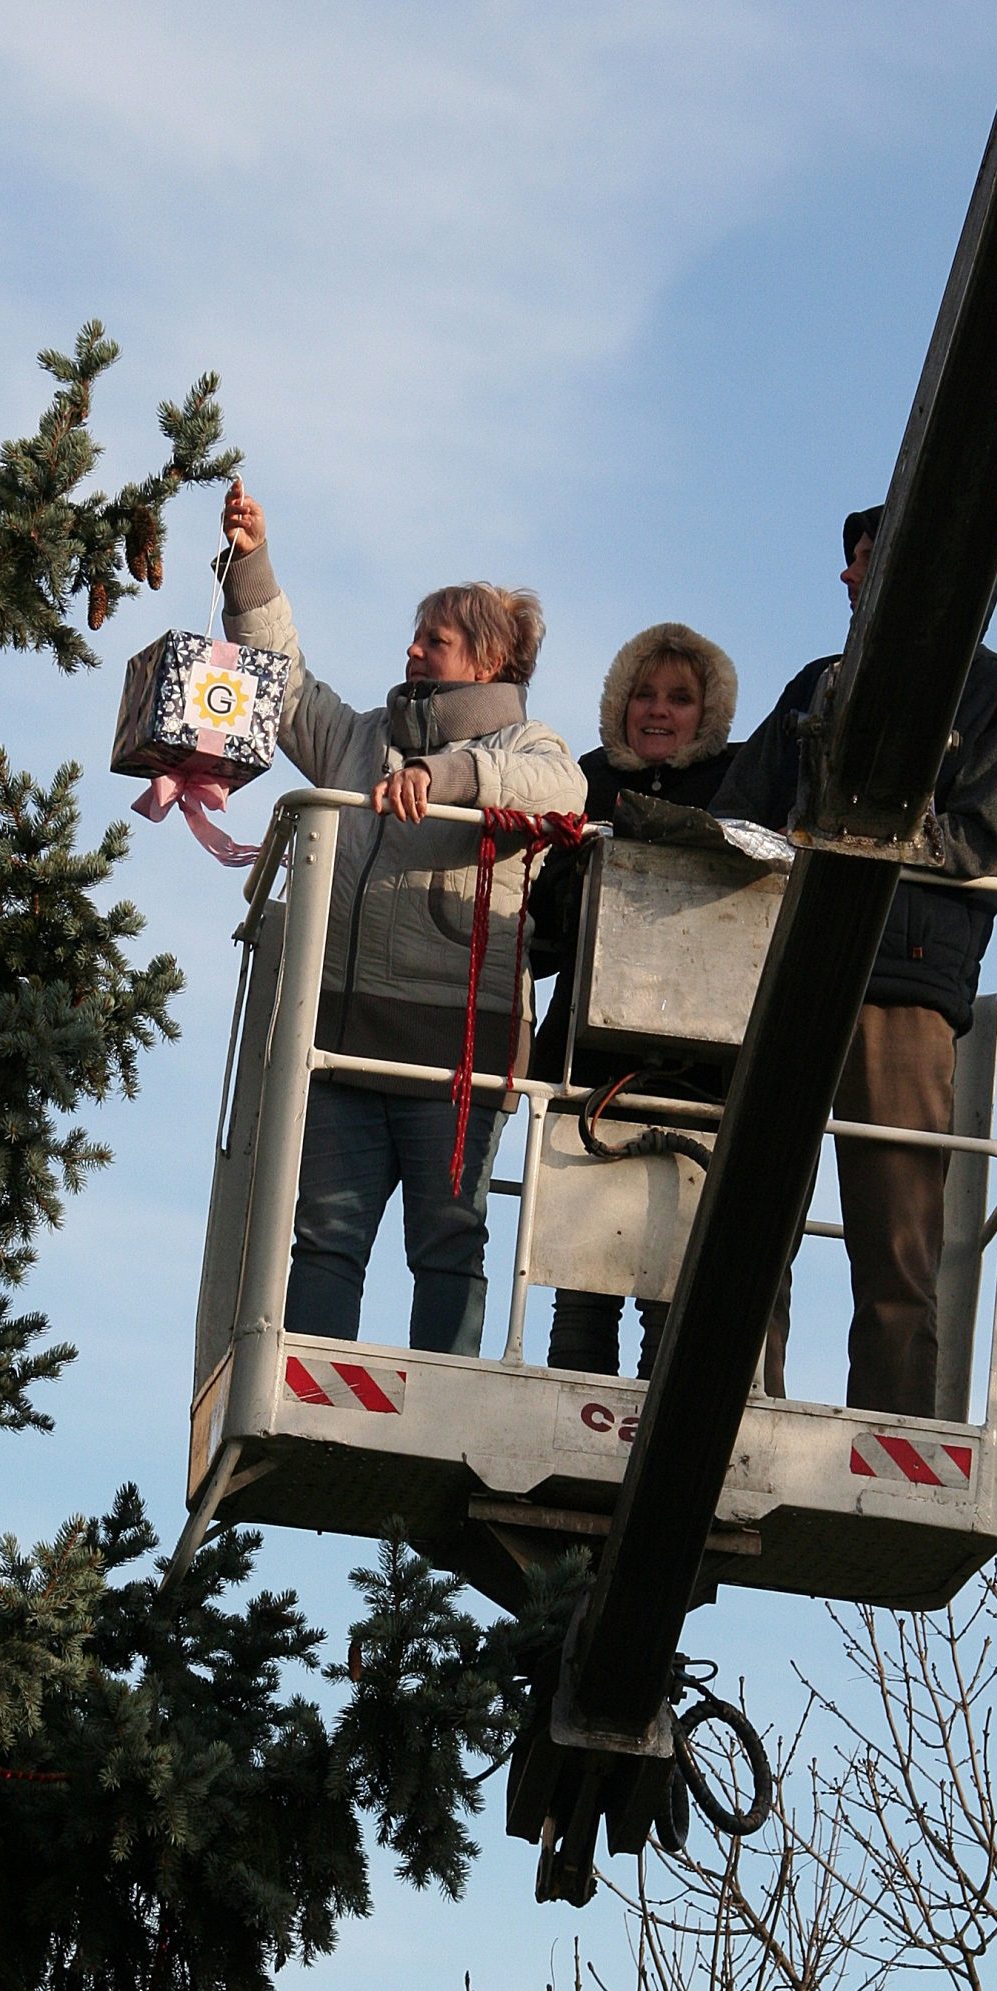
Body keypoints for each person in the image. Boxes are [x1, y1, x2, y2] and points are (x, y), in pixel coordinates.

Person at [216, 479, 585, 1355]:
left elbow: (560, 792)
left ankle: (442, 1403)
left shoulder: (530, 745)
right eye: (417, 635)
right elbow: (279, 685)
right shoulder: (358, 736)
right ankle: (309, 1402)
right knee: (326, 1244)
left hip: (457, 1055)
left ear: (489, 664)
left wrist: (446, 781)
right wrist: (249, 561)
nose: (411, 650)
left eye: (435, 640)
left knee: (448, 1246)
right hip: (341, 1041)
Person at [714, 504, 997, 1415]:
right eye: (852, 562)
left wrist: (843, 828)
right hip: (776, 976)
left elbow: (978, 841)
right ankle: (736, 1413)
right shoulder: (811, 685)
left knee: (895, 1245)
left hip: (903, 985)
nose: (850, 578)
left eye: (865, 561)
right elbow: (737, 815)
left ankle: (892, 1440)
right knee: (748, 1227)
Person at [529, 622, 740, 1377]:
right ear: (617, 703)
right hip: (588, 1063)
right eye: (643, 694)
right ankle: (567, 1427)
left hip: (699, 1072)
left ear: (707, 712)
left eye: (679, 698)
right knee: (579, 1280)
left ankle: (658, 1460)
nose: (658, 711)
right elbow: (541, 932)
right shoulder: (580, 778)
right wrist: (580, 871)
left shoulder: (739, 784)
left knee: (672, 1282)